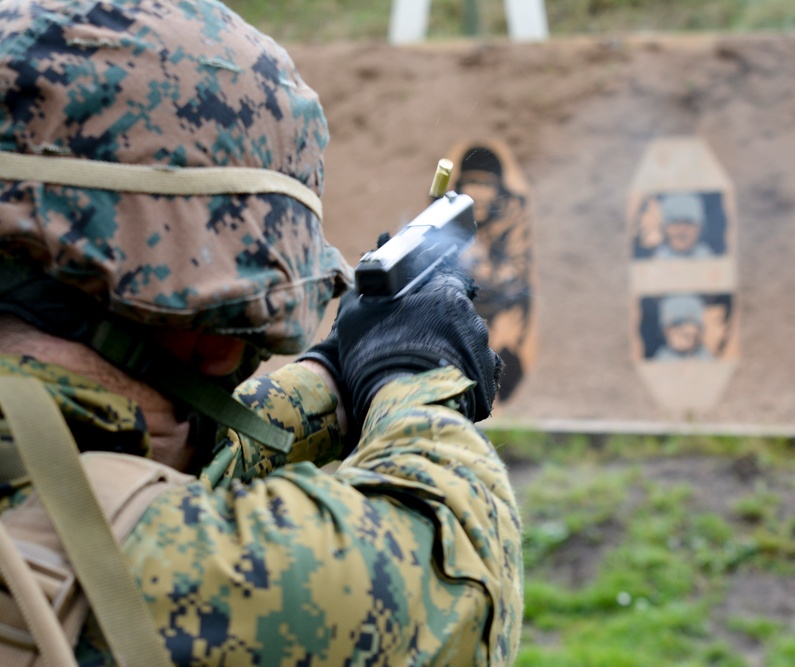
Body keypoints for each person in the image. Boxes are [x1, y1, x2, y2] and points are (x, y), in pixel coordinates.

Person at [0, 1, 522, 666]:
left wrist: (334, 374)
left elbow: (118, 456)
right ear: (218, 335)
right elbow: (451, 582)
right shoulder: (166, 567)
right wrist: (415, 374)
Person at [455, 146, 533, 401]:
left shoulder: (512, 215)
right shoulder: (448, 215)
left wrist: (489, 271)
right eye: (472, 183)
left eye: (486, 184)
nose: (478, 192)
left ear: (498, 188)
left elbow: (519, 268)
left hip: (499, 304)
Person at [653, 193, 715, 259]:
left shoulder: (707, 257)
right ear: (664, 227)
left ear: (700, 228)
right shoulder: (658, 258)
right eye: (675, 223)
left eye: (688, 223)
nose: (681, 230)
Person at [654, 295, 713, 361]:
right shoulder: (662, 357)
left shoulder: (704, 355)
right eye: (676, 326)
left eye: (689, 323)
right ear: (665, 332)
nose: (685, 331)